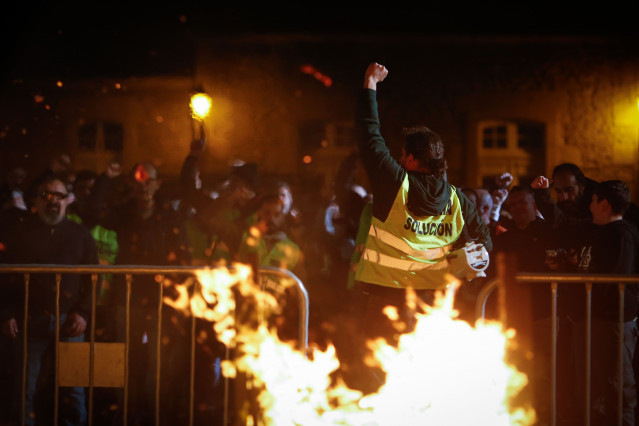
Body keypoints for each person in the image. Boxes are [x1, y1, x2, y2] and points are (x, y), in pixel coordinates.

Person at [353, 62, 492, 343]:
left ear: (413, 159)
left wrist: (370, 83)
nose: (400, 160)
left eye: (403, 155)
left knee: (378, 379)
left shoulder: (396, 184)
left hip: (387, 301)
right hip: (435, 307)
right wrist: (459, 262)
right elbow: (484, 244)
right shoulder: (458, 200)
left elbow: (370, 137)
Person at [533, 176, 639, 425]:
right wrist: (542, 195)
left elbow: (615, 280)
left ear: (604, 204)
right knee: (588, 382)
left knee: (616, 383)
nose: (589, 205)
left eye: (593, 200)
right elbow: (563, 222)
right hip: (588, 319)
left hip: (611, 321)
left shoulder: (622, 234)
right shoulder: (593, 229)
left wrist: (587, 304)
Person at [0, 175, 99, 426]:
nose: (52, 201)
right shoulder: (19, 234)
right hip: (29, 320)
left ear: (69, 201)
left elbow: (93, 280)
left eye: (58, 196)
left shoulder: (82, 235)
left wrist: (84, 314)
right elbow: (5, 278)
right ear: (35, 200)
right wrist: (6, 313)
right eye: (46, 195)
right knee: (24, 389)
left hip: (70, 322)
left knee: (73, 390)